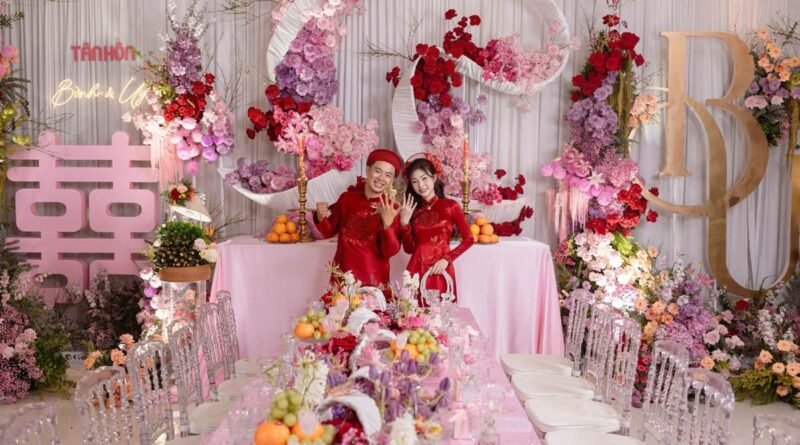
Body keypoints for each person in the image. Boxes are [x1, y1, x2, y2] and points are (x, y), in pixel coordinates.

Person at [315, 148, 404, 288]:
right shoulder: (347, 199)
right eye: (378, 171)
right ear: (368, 170)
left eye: (388, 175)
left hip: (374, 281)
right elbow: (328, 231)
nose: (381, 178)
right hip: (343, 276)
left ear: (392, 180)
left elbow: (390, 251)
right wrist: (321, 217)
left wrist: (387, 225)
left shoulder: (391, 208)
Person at [398, 153, 473, 305]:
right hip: (416, 269)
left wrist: (447, 259)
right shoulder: (413, 210)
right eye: (415, 181)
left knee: (441, 312)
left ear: (434, 177)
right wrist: (404, 223)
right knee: (414, 314)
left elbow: (469, 239)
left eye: (424, 178)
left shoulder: (450, 206)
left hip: (440, 268)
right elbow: (409, 249)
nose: (421, 185)